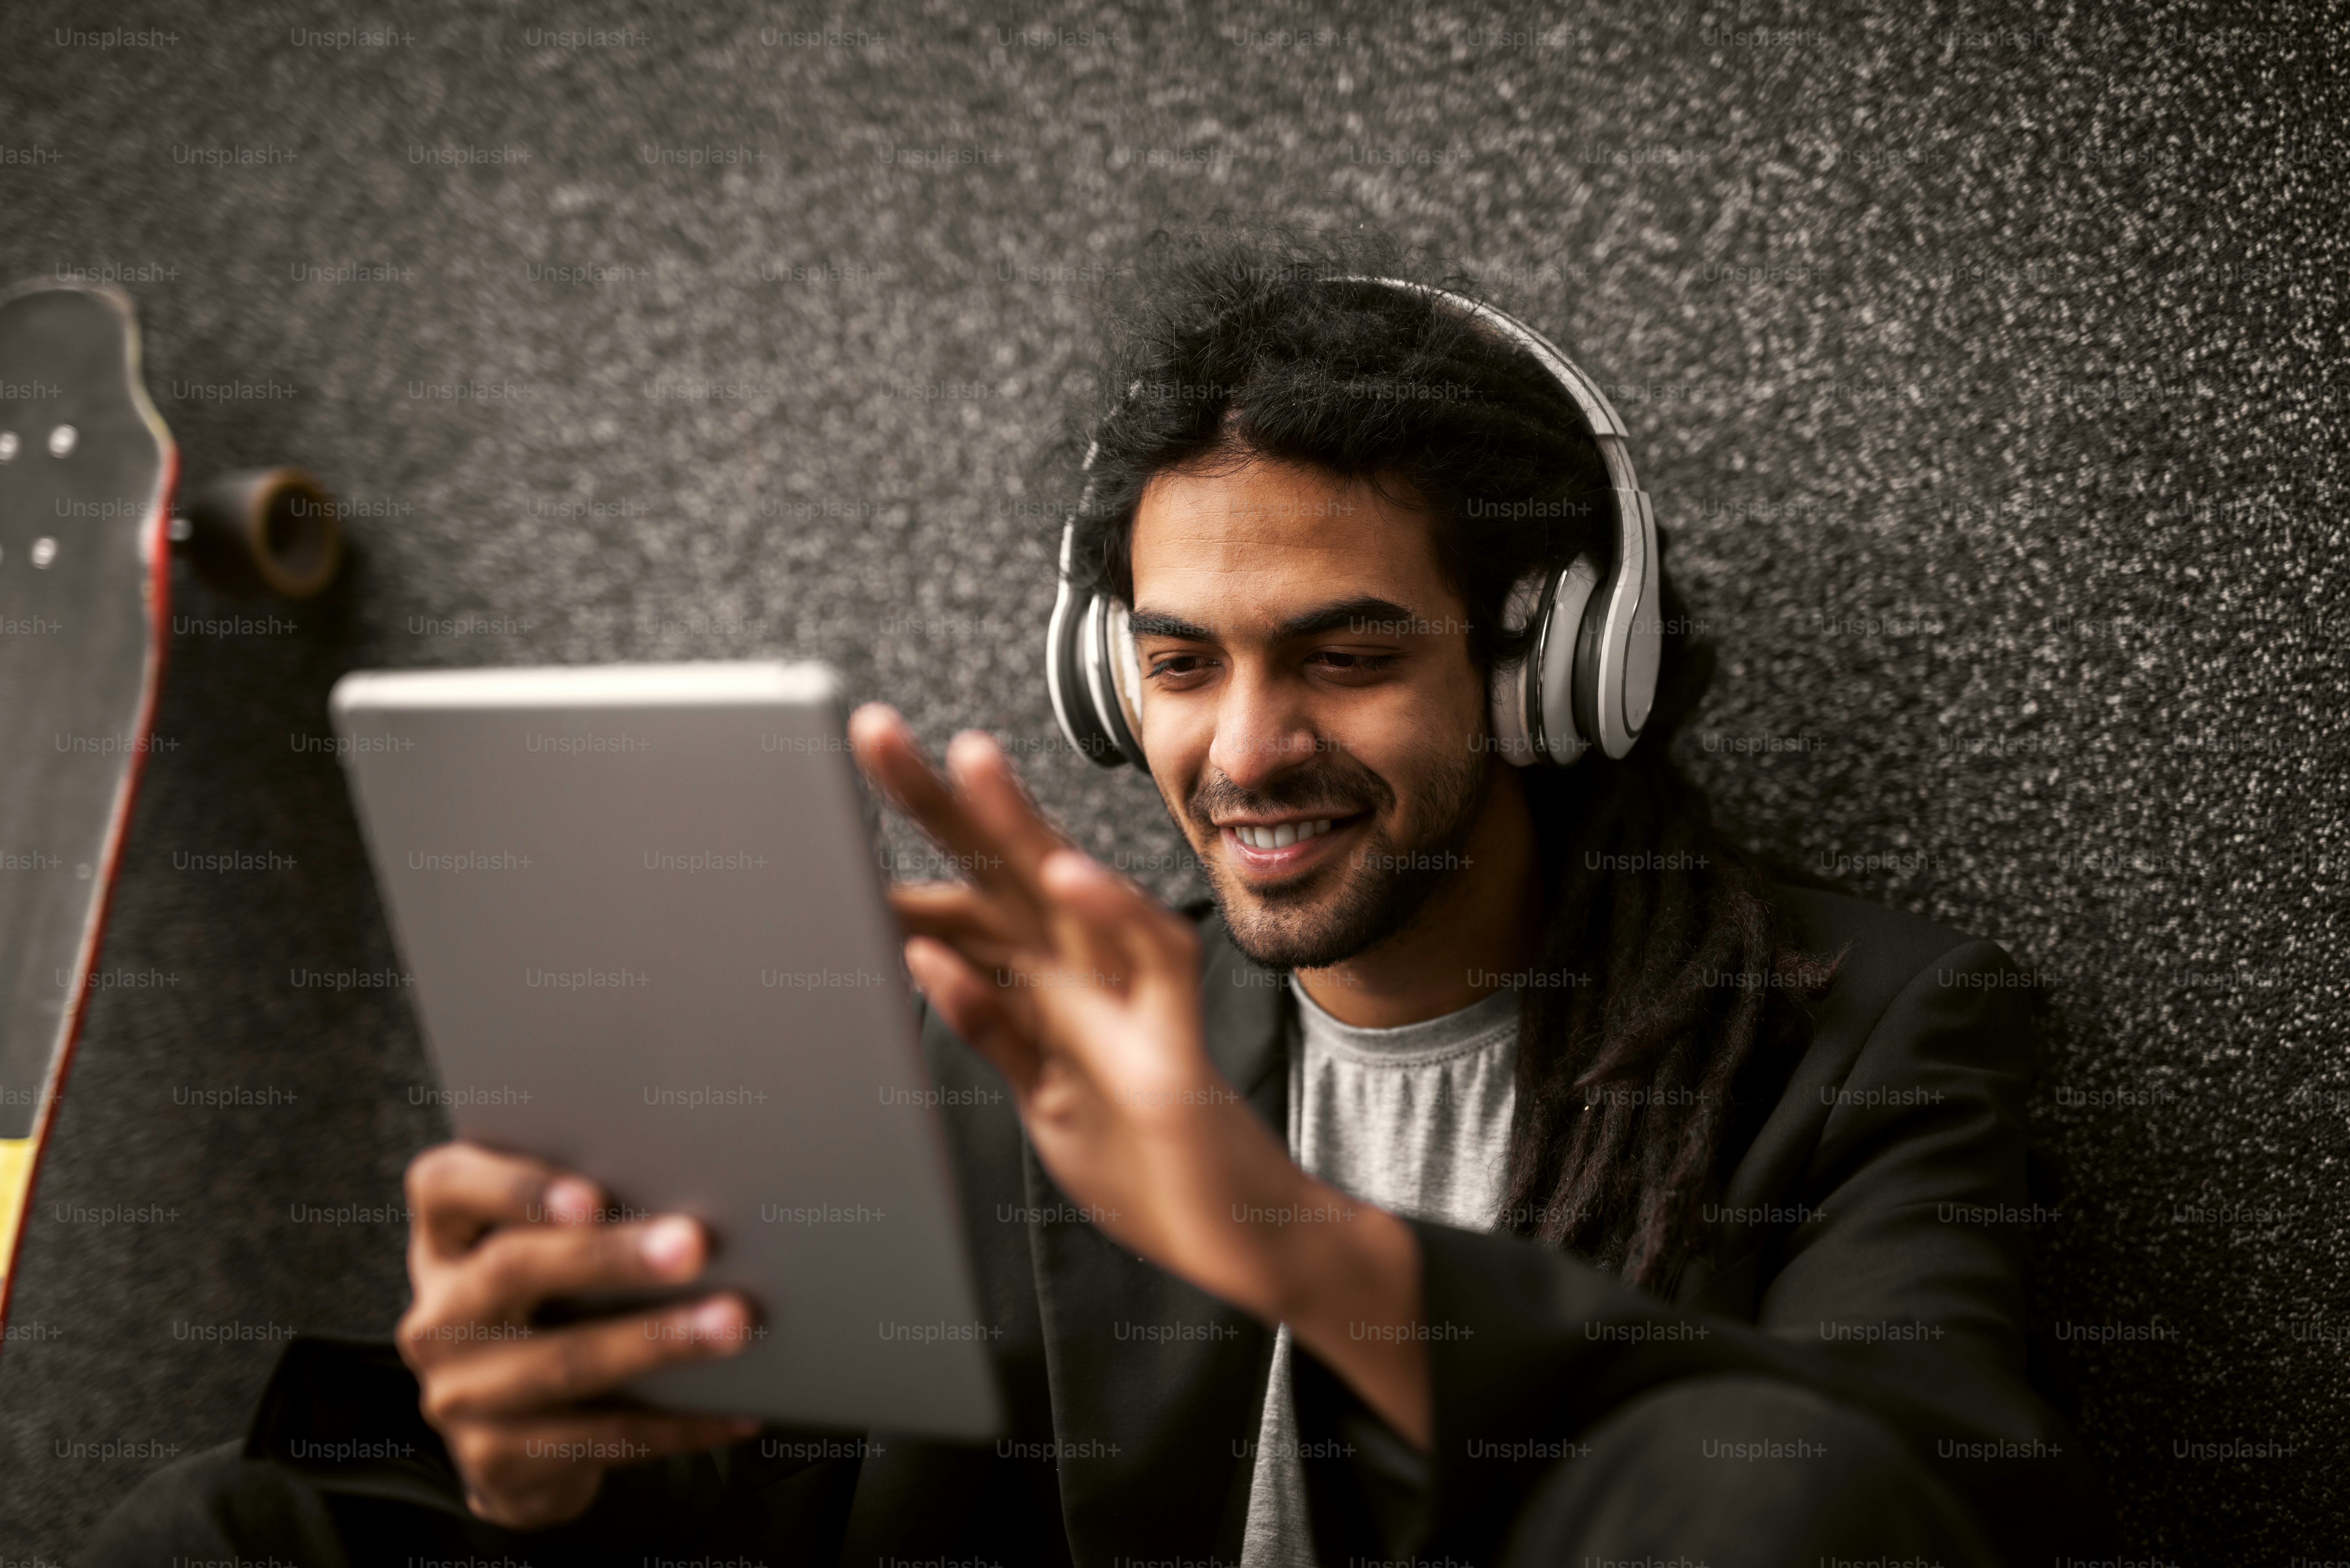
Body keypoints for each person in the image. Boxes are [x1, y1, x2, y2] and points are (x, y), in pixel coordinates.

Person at [90, 224, 2115, 1567]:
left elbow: (1901, 1497)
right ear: (1101, 674)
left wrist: (1280, 1236)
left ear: (1547, 665)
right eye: (1179, 661)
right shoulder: (1038, 1028)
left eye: (1343, 654)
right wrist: (543, 1472)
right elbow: (799, 1506)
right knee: (231, 1531)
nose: (1242, 754)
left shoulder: (1869, 1029)